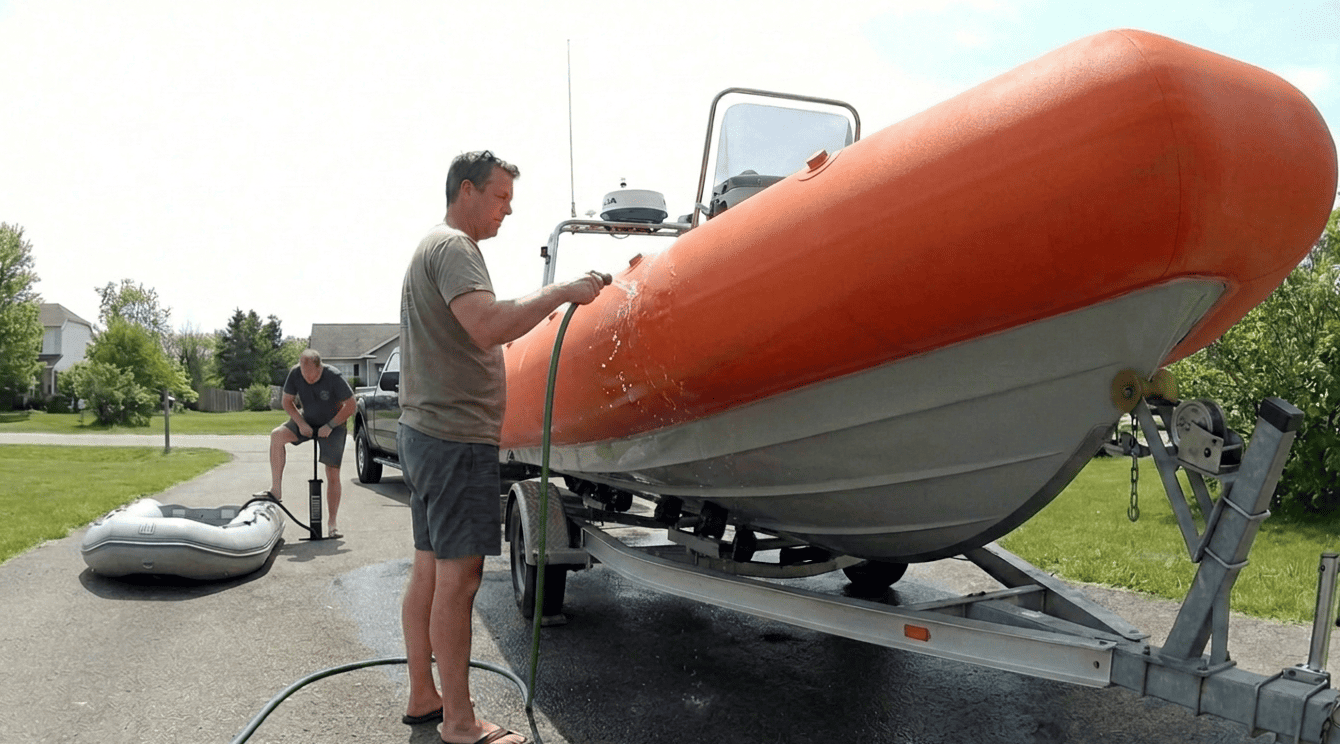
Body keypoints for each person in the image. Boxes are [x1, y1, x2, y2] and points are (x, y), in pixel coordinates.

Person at [398, 150, 607, 744]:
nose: (506, 213)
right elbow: (488, 325)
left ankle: (424, 695)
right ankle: (460, 723)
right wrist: (564, 291)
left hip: (426, 434)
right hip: (453, 438)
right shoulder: (456, 249)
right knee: (459, 580)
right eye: (499, 199)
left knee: (428, 571)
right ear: (467, 191)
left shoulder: (429, 248)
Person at [254, 348, 356, 538]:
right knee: (277, 436)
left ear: (320, 368)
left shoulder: (333, 376)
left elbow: (351, 405)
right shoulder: (295, 373)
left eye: (312, 375)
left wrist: (330, 425)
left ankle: (332, 523)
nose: (308, 379)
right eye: (304, 374)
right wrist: (300, 423)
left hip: (333, 425)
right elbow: (287, 402)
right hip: (307, 420)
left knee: (332, 472)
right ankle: (276, 490)